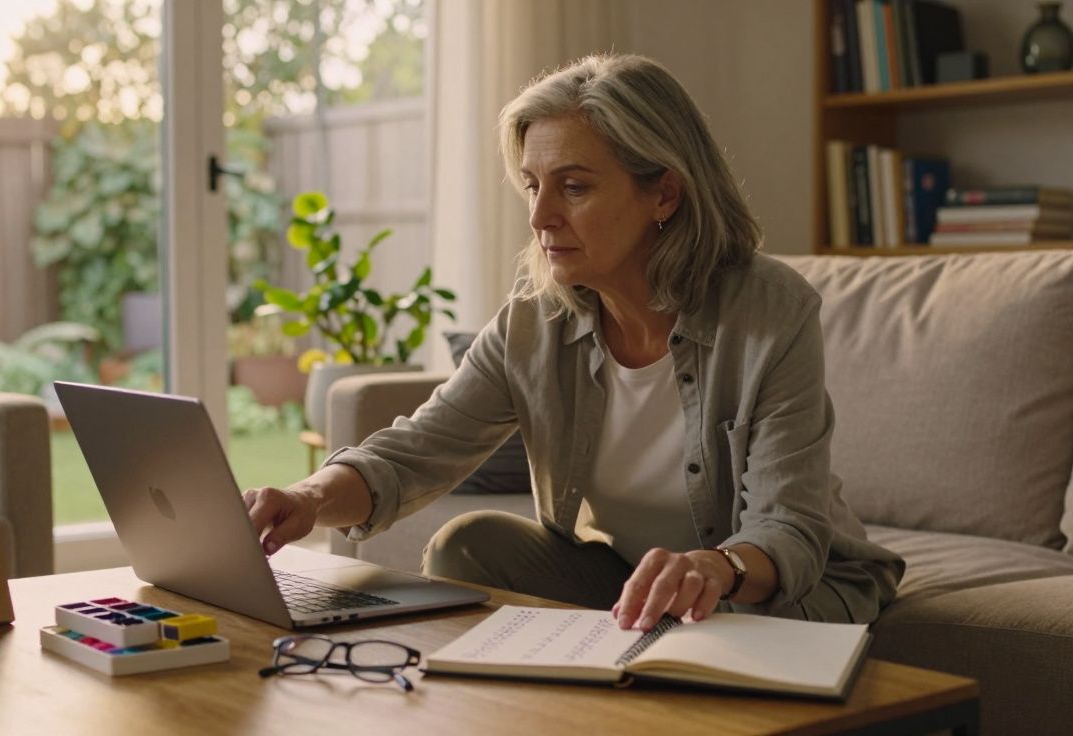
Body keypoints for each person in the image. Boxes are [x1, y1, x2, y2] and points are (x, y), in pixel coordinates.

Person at [245, 54, 903, 630]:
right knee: (469, 544)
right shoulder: (535, 321)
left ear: (664, 194)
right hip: (622, 577)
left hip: (771, 587)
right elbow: (416, 452)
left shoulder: (769, 310)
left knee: (705, 620)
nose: (539, 217)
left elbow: (787, 530)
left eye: (574, 187)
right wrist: (308, 497)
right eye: (533, 185)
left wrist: (713, 567)